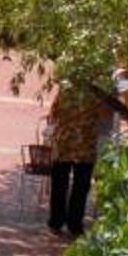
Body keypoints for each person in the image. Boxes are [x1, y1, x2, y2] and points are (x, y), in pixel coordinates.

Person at [43, 77, 113, 236]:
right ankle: (74, 224)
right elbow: (106, 116)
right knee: (80, 187)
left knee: (59, 184)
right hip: (85, 146)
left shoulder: (65, 87)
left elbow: (54, 113)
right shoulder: (97, 91)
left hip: (64, 144)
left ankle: (56, 222)